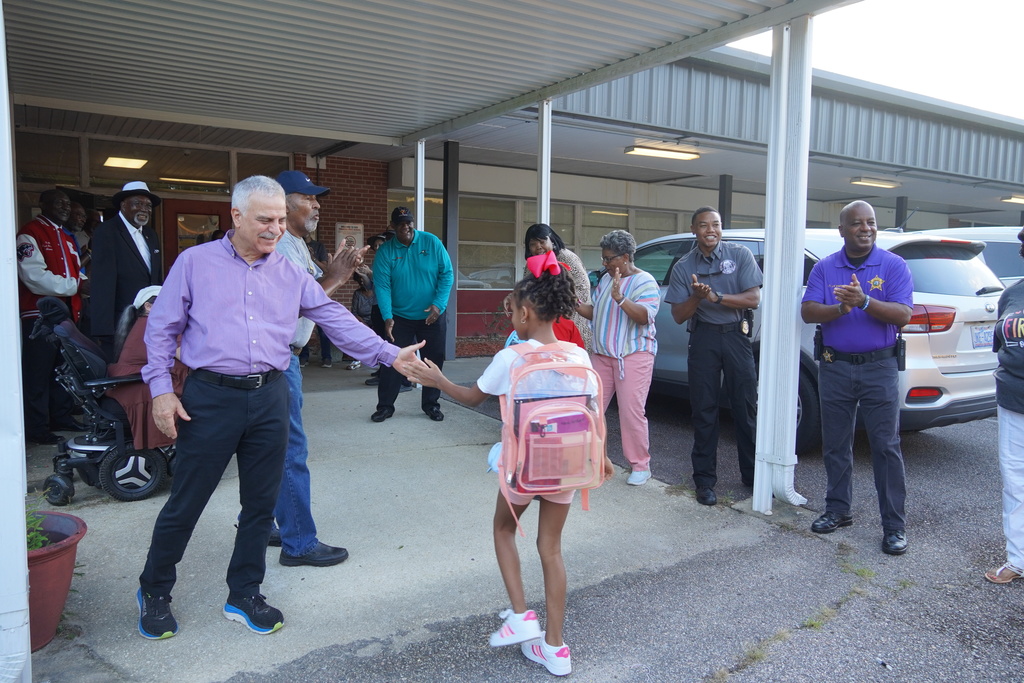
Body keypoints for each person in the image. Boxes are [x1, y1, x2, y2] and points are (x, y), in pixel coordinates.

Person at [136, 175, 424, 640]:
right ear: (236, 216)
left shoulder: (290, 270)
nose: (275, 229)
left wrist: (389, 355)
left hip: (271, 395)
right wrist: (160, 390)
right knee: (187, 501)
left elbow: (333, 317)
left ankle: (244, 592)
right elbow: (161, 331)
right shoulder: (194, 263)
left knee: (260, 503)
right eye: (265, 220)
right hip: (210, 397)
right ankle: (154, 590)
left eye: (279, 220)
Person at [405, 259, 614, 677]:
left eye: (513, 309)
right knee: (551, 549)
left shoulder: (512, 357)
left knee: (503, 529)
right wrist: (603, 457)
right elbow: (592, 410)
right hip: (569, 465)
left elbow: (470, 397)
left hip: (524, 467)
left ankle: (521, 615)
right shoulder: (578, 354)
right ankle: (555, 649)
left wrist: (437, 381)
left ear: (525, 314)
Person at [801, 200, 913, 556]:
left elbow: (903, 315)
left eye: (871, 222)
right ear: (842, 230)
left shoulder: (894, 265)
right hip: (835, 366)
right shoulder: (825, 267)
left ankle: (893, 526)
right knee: (835, 442)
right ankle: (837, 509)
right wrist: (840, 308)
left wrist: (864, 301)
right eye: (857, 223)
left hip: (879, 367)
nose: (865, 228)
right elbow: (807, 311)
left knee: (885, 446)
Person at [267, 169, 355, 568]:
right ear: (284, 203)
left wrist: (333, 270)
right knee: (289, 451)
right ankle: (299, 542)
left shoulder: (296, 243)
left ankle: (266, 521)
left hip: (283, 357)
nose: (317, 204)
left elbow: (313, 285)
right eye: (308, 197)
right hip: (279, 359)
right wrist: (336, 277)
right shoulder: (282, 245)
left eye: (317, 198)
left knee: (269, 449)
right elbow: (297, 304)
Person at [664, 207, 762, 506]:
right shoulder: (683, 266)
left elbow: (753, 299)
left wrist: (716, 297)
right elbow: (679, 316)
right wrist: (696, 296)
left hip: (736, 335)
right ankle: (704, 482)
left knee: (745, 407)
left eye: (716, 225)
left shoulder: (740, 254)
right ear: (694, 229)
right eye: (704, 225)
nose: (711, 230)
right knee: (704, 411)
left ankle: (754, 476)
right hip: (704, 337)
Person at [576, 230, 660, 486]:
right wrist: (575, 304)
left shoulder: (645, 281)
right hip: (602, 356)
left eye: (609, 258)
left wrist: (621, 299)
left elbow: (645, 317)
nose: (605, 263)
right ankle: (595, 459)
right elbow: (597, 313)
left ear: (625, 257)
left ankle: (640, 465)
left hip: (632, 356)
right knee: (590, 408)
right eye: (603, 258)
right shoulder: (605, 280)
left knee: (631, 412)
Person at [371, 206, 454, 422]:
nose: (406, 226)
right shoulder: (386, 252)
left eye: (409, 222)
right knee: (392, 361)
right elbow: (382, 286)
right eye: (401, 223)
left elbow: (446, 274)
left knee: (433, 360)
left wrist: (438, 305)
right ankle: (385, 407)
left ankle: (431, 404)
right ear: (393, 226)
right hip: (400, 317)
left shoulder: (431, 242)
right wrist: (387, 316)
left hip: (432, 317)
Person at [17, 189, 86, 443]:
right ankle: (37, 428)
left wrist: (86, 284)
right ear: (42, 204)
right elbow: (34, 277)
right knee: (38, 374)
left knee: (62, 370)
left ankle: (62, 417)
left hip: (66, 317)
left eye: (67, 203)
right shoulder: (31, 232)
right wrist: (76, 286)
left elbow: (78, 273)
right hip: (39, 317)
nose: (65, 207)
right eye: (59, 203)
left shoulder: (66, 237)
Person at [985, 227, 1024, 583]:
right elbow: (1002, 346)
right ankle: (1017, 559)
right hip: (1013, 400)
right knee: (1014, 480)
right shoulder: (1012, 295)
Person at [105, 286, 188, 450]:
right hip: (138, 390)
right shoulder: (154, 325)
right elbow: (187, 356)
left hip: (131, 386)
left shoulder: (144, 323)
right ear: (148, 307)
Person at [90, 181, 163, 359]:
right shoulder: (106, 232)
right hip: (119, 321)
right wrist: (105, 329)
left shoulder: (150, 234)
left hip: (146, 319)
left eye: (148, 205)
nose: (144, 209)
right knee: (118, 369)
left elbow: (155, 278)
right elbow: (102, 282)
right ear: (123, 205)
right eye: (138, 203)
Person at [523, 223, 593, 352]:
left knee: (571, 356)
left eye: (542, 242)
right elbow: (526, 288)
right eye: (533, 244)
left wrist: (564, 304)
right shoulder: (532, 263)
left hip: (570, 316)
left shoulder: (567, 257)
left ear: (552, 240)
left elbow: (582, 286)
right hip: (543, 318)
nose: (538, 247)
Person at [297, 229, 334, 368]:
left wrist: (312, 259)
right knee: (301, 324)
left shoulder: (319, 246)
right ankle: (303, 356)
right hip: (301, 289)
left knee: (322, 325)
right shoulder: (295, 245)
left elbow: (326, 269)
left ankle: (327, 357)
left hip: (318, 288)